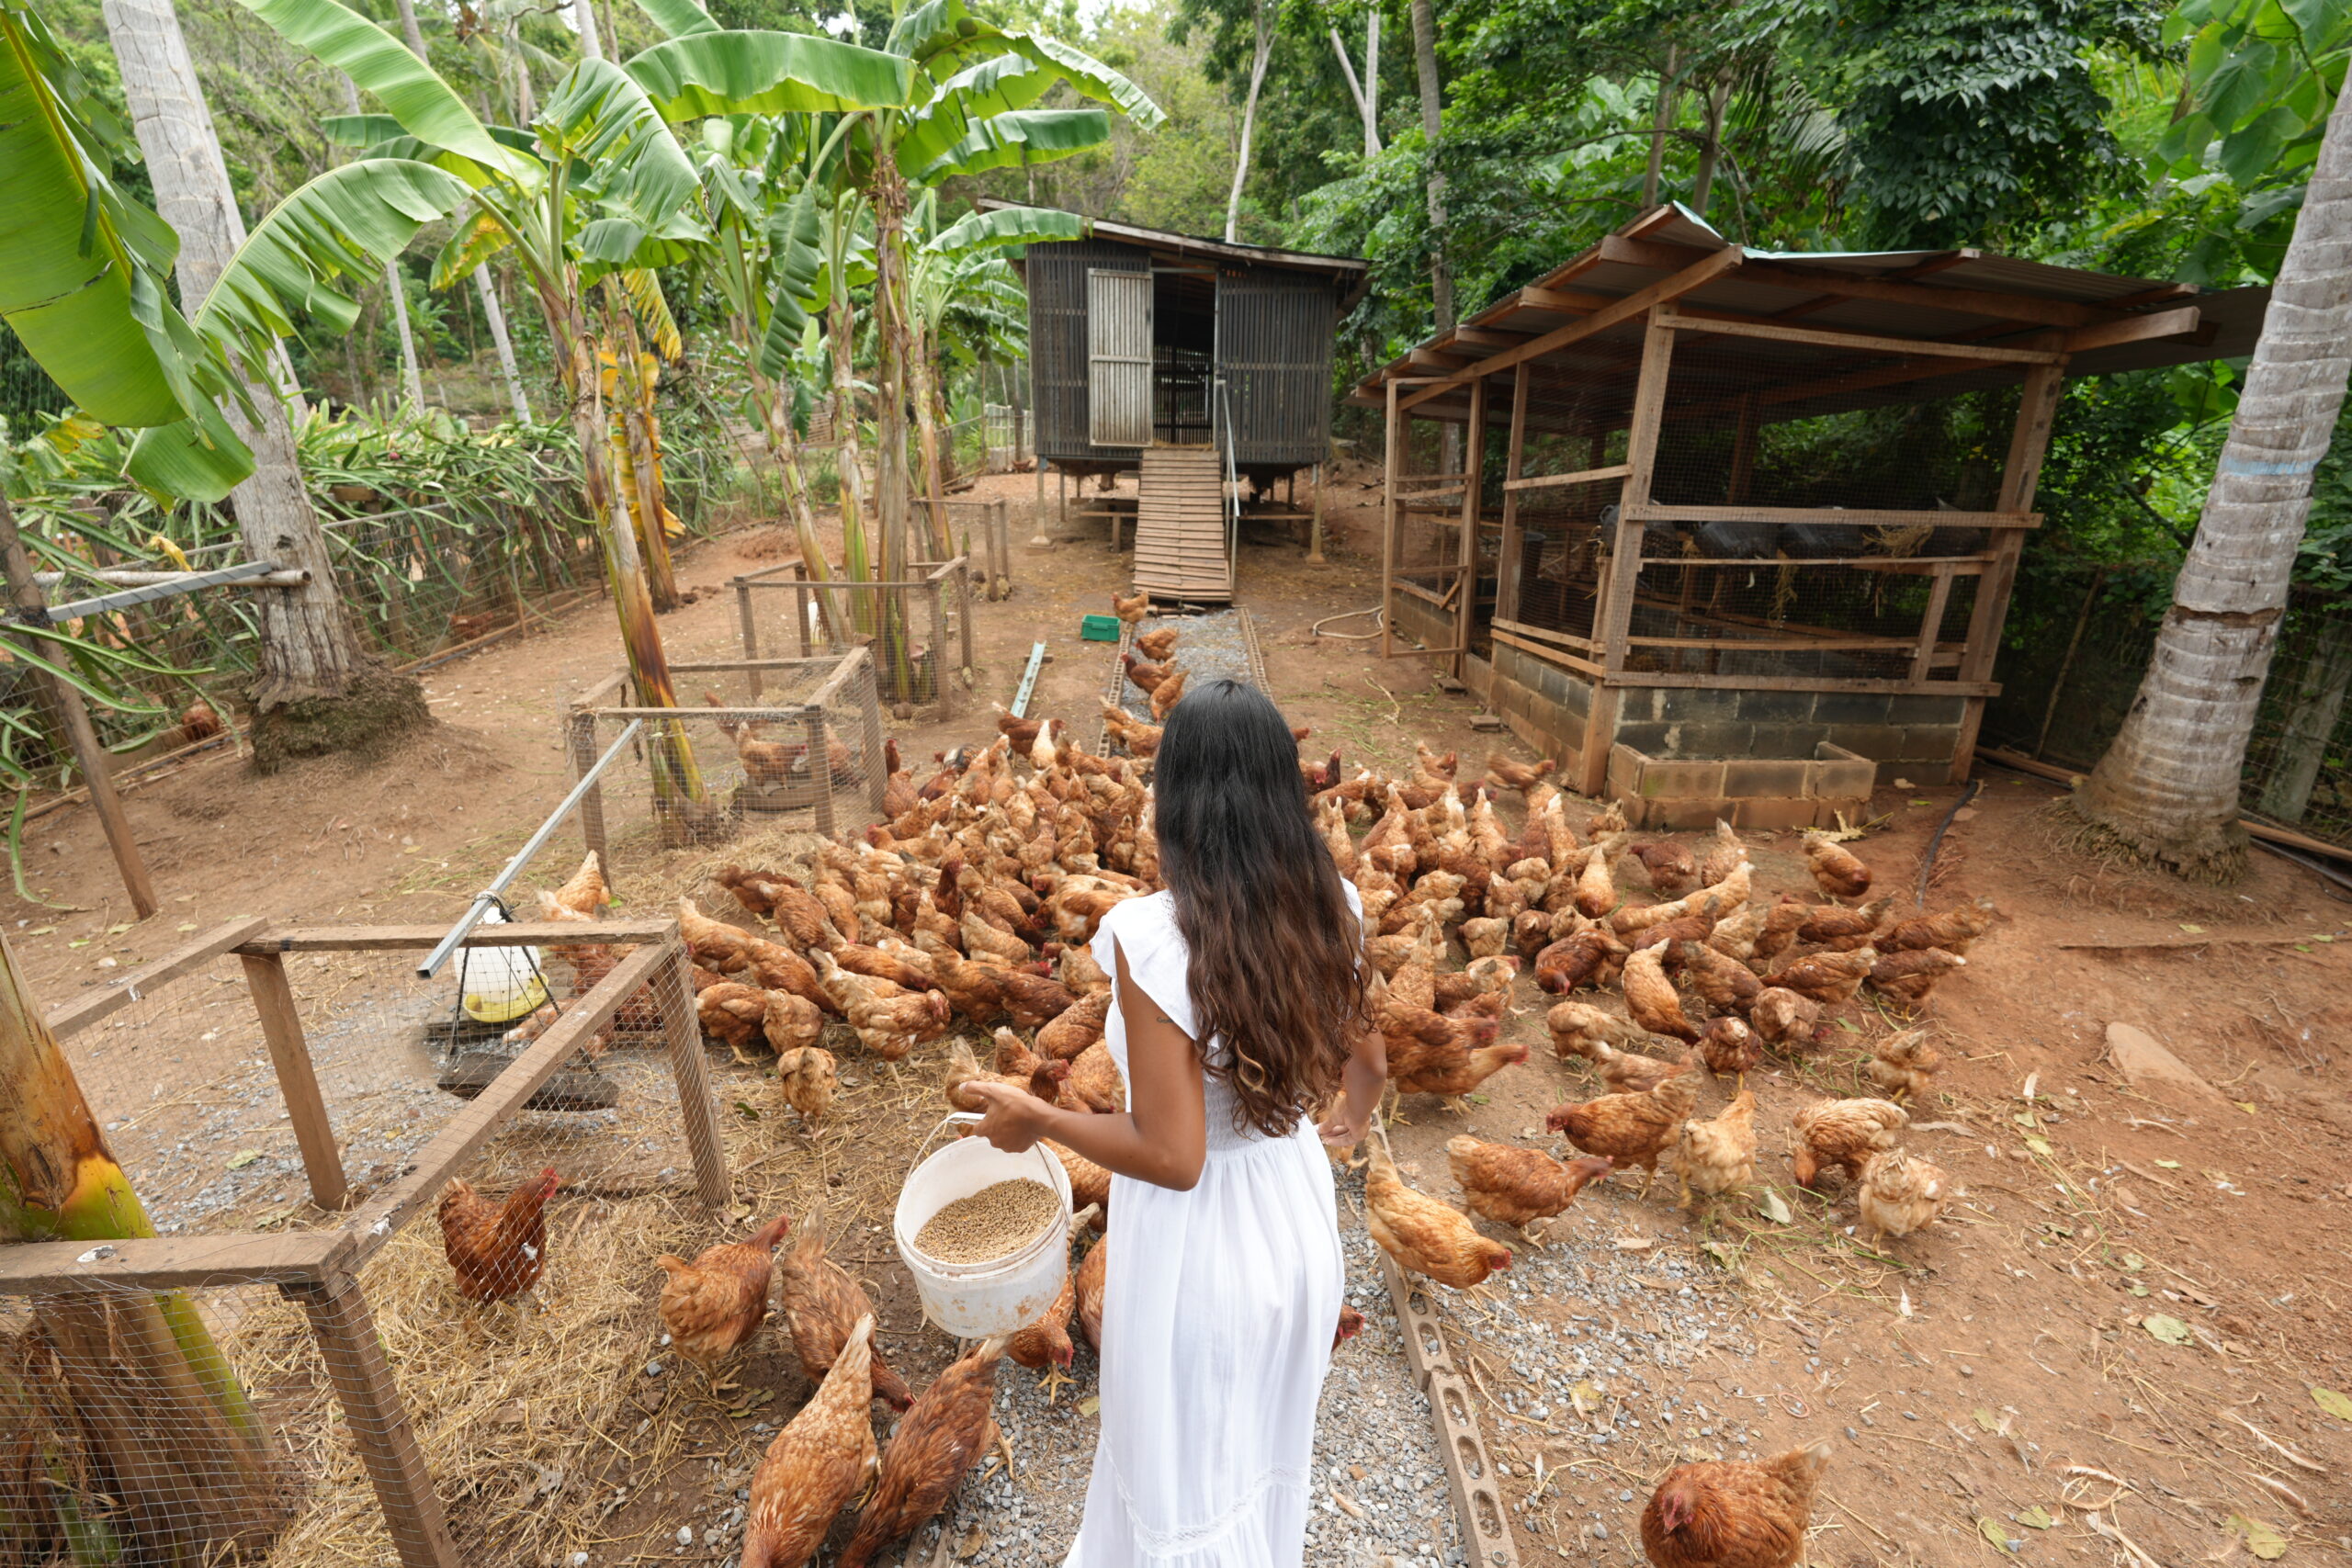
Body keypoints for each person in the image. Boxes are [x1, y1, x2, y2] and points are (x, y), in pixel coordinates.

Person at [965, 678, 1386, 1568]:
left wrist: (1037, 1118)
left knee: (1178, 1471)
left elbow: (1174, 1154)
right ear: (1283, 788)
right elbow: (1371, 1058)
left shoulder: (1158, 938)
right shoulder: (1330, 902)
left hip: (1202, 1253)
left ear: (1177, 798)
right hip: (1294, 1218)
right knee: (1261, 1455)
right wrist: (1348, 1120)